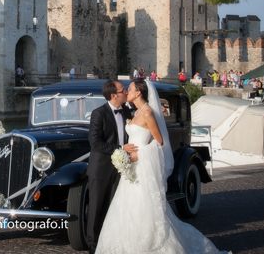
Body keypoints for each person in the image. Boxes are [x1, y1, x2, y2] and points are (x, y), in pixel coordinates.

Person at [95, 80, 229, 254]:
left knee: (145, 207)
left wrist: (139, 154)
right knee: (127, 209)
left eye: (130, 89)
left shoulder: (148, 113)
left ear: (138, 93)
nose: (126, 91)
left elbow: (159, 141)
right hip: (131, 169)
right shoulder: (134, 112)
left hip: (141, 164)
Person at [86, 79, 136, 254]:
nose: (126, 92)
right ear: (114, 95)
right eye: (123, 90)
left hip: (121, 168)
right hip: (100, 168)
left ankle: (110, 240)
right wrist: (120, 148)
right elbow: (95, 143)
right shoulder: (98, 113)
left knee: (114, 205)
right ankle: (92, 243)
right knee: (96, 206)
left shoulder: (127, 111)